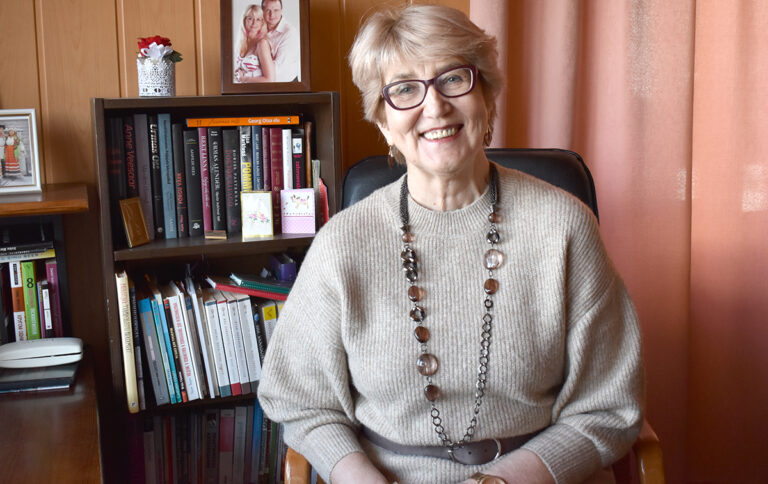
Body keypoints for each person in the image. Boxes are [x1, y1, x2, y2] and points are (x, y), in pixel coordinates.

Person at [257, 4, 644, 484]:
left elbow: (608, 408)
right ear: (383, 122)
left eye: (453, 79)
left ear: (487, 97)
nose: (435, 106)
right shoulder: (343, 244)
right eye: (404, 89)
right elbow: (300, 399)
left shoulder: (564, 227)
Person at [234, 4, 275, 83]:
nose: (254, 23)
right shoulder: (241, 42)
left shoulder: (262, 44)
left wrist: (243, 79)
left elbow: (270, 80)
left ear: (262, 22)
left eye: (258, 19)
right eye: (250, 18)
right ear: (244, 20)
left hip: (256, 90)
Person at [262, 0, 300, 82]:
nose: (272, 15)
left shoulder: (289, 33)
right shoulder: (258, 29)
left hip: (286, 86)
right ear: (262, 11)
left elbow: (277, 70)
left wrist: (249, 72)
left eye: (276, 10)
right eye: (268, 10)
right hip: (264, 84)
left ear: (281, 10)